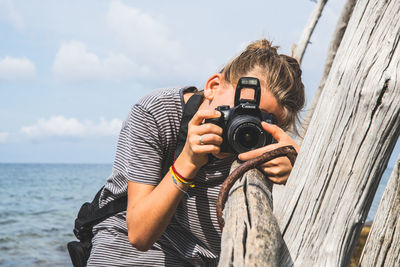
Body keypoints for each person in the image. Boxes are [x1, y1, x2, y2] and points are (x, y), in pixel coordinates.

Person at [87, 39, 305, 266]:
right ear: (213, 86)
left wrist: (298, 171)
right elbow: (139, 235)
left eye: (260, 121)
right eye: (239, 110)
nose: (245, 127)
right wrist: (188, 161)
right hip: (126, 255)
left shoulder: (264, 145)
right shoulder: (157, 113)